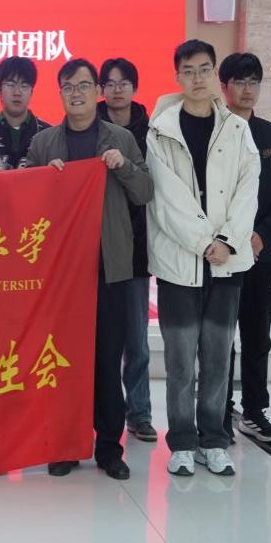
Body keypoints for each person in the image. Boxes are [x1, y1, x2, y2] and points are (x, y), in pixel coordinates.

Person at [25, 59, 153, 481]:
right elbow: (22, 198)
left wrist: (124, 165)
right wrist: (42, 178)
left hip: (108, 267)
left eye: (83, 86)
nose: (76, 93)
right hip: (61, 275)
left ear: (96, 91)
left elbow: (145, 192)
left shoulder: (120, 138)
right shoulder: (44, 142)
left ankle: (109, 448)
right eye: (68, 87)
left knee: (106, 360)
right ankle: (64, 445)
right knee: (62, 362)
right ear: (60, 93)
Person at [146, 40, 259, 478]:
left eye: (204, 69)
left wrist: (227, 242)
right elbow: (165, 197)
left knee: (217, 357)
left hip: (227, 263)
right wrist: (203, 242)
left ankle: (213, 439)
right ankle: (181, 442)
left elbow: (248, 189)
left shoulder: (237, 129)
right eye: (188, 71)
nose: (197, 78)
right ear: (178, 76)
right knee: (179, 361)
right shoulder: (161, 130)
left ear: (215, 75)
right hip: (179, 262)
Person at [219, 52, 271, 444]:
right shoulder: (213, 133)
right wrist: (230, 239)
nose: (248, 90)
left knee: (257, 336)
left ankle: (254, 412)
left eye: (254, 82)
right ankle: (218, 410)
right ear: (224, 87)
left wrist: (262, 236)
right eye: (240, 82)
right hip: (222, 258)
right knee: (218, 338)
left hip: (262, 256)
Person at [97, 57, 157, 443]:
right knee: (96, 341)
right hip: (93, 252)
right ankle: (97, 415)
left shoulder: (152, 132)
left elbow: (152, 188)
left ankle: (139, 412)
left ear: (134, 88)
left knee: (136, 340)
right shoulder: (86, 128)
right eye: (110, 83)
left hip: (136, 247)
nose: (117, 89)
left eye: (124, 83)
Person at [0, 56, 51, 169]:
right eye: (11, 85)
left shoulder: (48, 134)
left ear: (31, 92)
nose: (17, 92)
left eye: (24, 86)